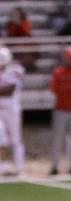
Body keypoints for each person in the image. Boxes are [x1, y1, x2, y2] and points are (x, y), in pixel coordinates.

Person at [0, 47, 25, 175]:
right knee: (1, 138)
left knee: (16, 139)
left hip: (12, 109)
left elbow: (10, 90)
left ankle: (19, 167)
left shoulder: (16, 70)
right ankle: (2, 165)